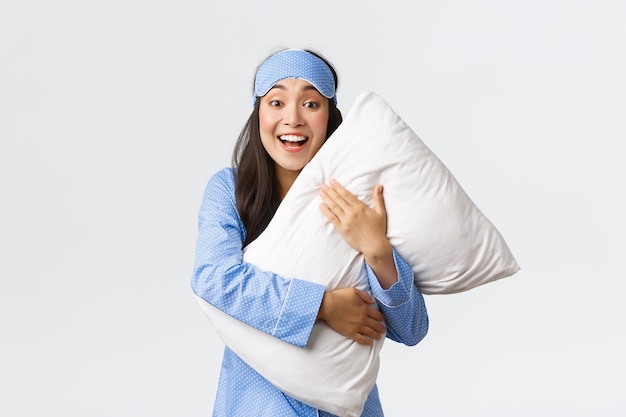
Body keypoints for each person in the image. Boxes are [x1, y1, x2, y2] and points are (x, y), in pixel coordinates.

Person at [191, 48, 429, 416]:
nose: (292, 119)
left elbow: (412, 329)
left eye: (311, 104)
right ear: (258, 113)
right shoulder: (230, 190)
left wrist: (377, 250)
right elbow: (214, 278)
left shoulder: (356, 198)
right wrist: (322, 306)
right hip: (258, 405)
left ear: (331, 117)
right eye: (276, 102)